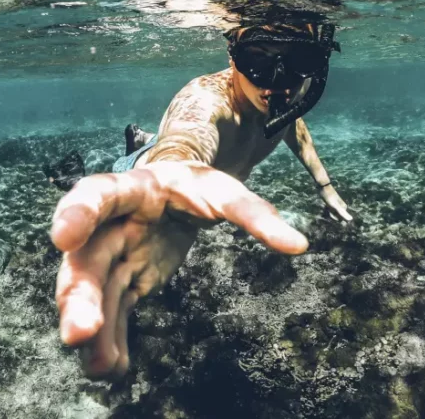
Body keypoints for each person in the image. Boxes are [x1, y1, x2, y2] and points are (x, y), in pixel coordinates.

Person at [49, 22, 352, 377]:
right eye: (258, 58)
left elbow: (293, 126)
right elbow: (187, 137)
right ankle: (86, 170)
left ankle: (143, 139)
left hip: (195, 176)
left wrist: (325, 187)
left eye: (301, 58)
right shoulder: (207, 98)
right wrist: (170, 170)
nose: (277, 80)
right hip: (147, 174)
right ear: (232, 55)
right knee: (103, 178)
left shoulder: (281, 100)